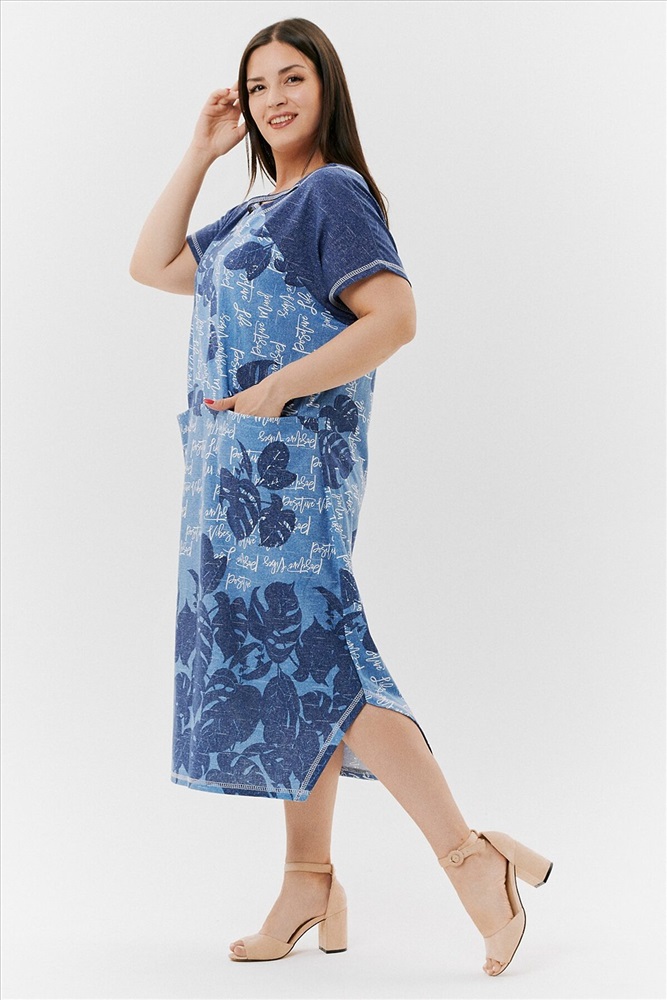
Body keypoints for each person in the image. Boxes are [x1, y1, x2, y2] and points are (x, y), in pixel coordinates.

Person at [130, 17, 552, 977]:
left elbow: (394, 317)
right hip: (229, 486)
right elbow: (152, 266)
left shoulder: (331, 193)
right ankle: (308, 879)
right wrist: (199, 153)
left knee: (325, 664)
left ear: (326, 87)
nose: (274, 98)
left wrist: (279, 390)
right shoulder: (251, 214)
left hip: (293, 480)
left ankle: (470, 860)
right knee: (290, 671)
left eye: (293, 78)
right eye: (257, 85)